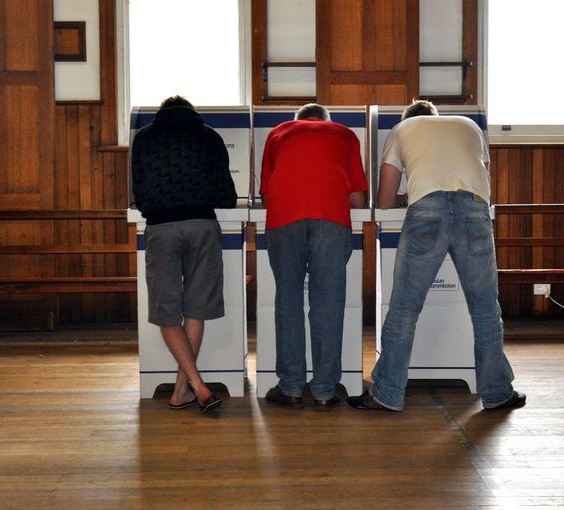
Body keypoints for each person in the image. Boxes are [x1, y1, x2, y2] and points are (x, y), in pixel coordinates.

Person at [347, 99, 525, 412]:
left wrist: (408, 195)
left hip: (426, 209)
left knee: (404, 308)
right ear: (436, 116)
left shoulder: (402, 129)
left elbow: (385, 200)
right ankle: (497, 392)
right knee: (485, 309)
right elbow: (484, 178)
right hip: (474, 209)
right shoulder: (469, 126)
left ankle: (387, 394)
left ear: (408, 118)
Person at [130, 95, 238, 414]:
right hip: (202, 224)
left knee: (167, 312)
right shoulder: (210, 136)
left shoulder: (145, 137)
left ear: (162, 113)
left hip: (161, 227)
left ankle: (187, 388)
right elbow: (226, 193)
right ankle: (193, 387)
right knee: (196, 308)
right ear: (193, 113)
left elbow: (138, 188)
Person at [260, 103, 368, 411]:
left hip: (284, 219)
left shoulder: (278, 133)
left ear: (299, 120)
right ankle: (324, 390)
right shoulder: (344, 134)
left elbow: (266, 194)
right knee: (328, 304)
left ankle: (291, 388)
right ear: (325, 120)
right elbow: (357, 196)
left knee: (288, 301)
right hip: (332, 219)